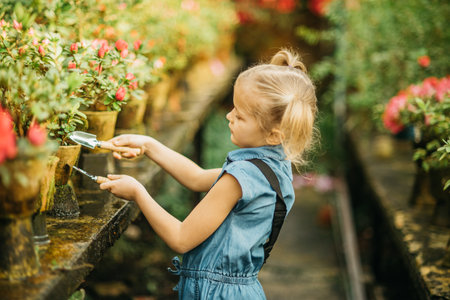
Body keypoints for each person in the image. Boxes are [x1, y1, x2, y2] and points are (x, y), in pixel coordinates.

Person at [100, 48, 318, 299]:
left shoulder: (240, 178)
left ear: (273, 134)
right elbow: (195, 177)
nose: (229, 116)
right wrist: (149, 145)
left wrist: (138, 192)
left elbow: (181, 238)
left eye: (239, 115)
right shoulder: (273, 168)